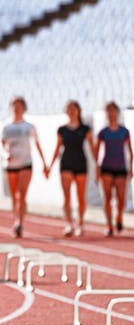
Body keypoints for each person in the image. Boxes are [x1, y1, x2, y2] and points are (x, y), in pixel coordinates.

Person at [45, 100, 95, 237]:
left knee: (80, 197)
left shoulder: (85, 129)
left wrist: (97, 165)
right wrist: (49, 166)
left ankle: (80, 222)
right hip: (66, 163)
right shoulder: (62, 130)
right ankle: (68, 223)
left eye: (73, 108)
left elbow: (92, 148)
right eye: (68, 109)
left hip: (80, 163)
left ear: (78, 110)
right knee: (67, 196)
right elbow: (57, 148)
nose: (71, 111)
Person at [1, 96, 47, 238]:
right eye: (14, 105)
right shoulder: (6, 126)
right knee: (14, 196)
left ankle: (19, 222)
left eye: (19, 105)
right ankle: (16, 218)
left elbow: (37, 145)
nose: (17, 108)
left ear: (24, 108)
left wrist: (45, 163)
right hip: (11, 164)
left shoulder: (29, 126)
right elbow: (2, 144)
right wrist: (6, 154)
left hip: (26, 163)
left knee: (21, 195)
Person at [95, 101, 132, 236]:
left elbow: (130, 151)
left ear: (117, 112)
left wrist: (131, 167)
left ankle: (119, 218)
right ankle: (110, 225)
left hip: (121, 167)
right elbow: (97, 151)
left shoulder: (124, 131)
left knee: (121, 198)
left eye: (113, 110)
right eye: (108, 111)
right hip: (106, 167)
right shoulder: (103, 132)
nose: (111, 113)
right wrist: (97, 168)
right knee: (108, 197)